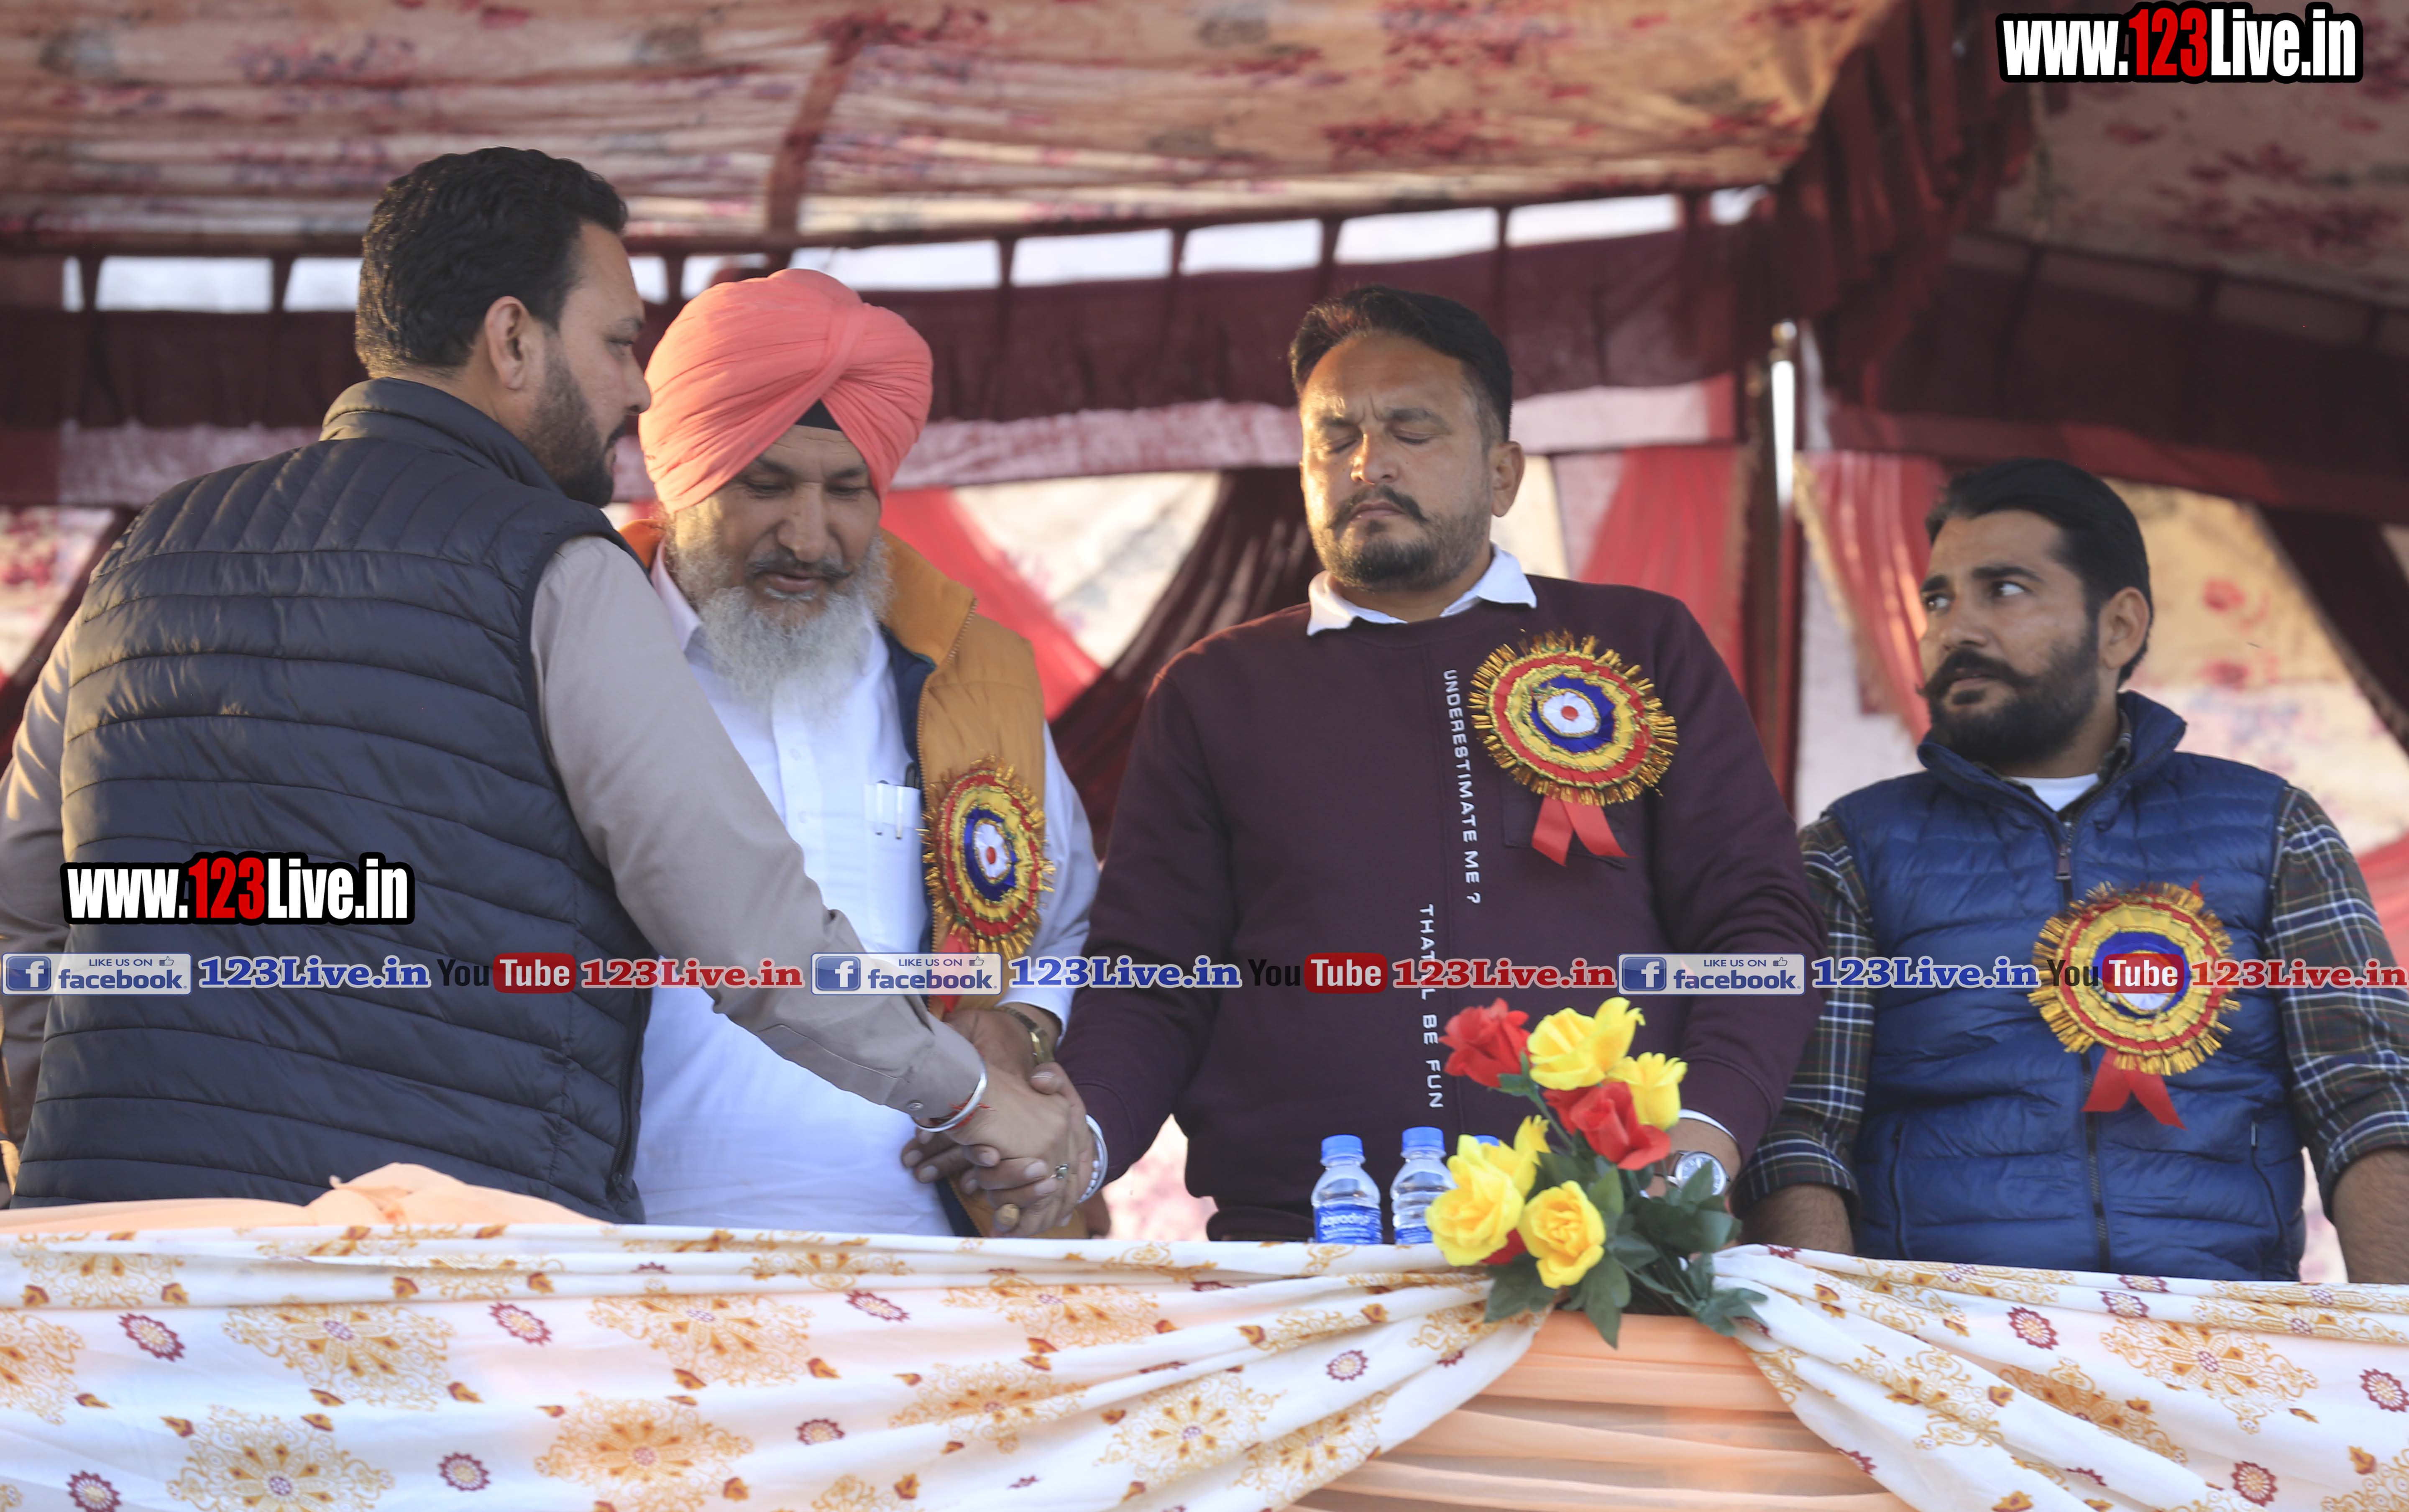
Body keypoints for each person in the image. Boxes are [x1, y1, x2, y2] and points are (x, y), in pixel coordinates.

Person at [0, 148, 1080, 1227]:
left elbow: (24, 912)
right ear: (513, 339)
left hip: (123, 1254)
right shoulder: (551, 565)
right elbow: (739, 919)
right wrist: (973, 1093)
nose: (637, 387)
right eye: (616, 342)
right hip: (434, 1253)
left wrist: (84, 1113)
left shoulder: (152, 554)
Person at [924, 285, 1823, 1240]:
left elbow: (1756, 921)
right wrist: (1080, 1140)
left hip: (1609, 1233)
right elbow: (1155, 975)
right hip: (1308, 1244)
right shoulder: (1216, 690)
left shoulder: (1640, 645)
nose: (1368, 463)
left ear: (1503, 473)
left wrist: (1707, 1130)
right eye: (1334, 436)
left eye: (1411, 430)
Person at [1738, 458, 2409, 1281]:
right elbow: (1801, 1130)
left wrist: (2391, 1337)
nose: (1956, 629)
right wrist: (1836, 1334)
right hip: (1939, 1337)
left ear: (2118, 627)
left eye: (2004, 590)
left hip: (2226, 1330)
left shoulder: (2273, 830)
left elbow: (2370, 1104)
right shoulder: (1854, 848)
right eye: (1938, 600)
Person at [616, 267, 1101, 1233]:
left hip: (934, 1257)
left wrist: (1022, 1024)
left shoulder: (974, 675)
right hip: (616, 1256)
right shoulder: (579, 657)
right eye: (765, 485)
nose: (809, 537)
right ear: (682, 478)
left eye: (847, 490)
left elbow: (1072, 923)